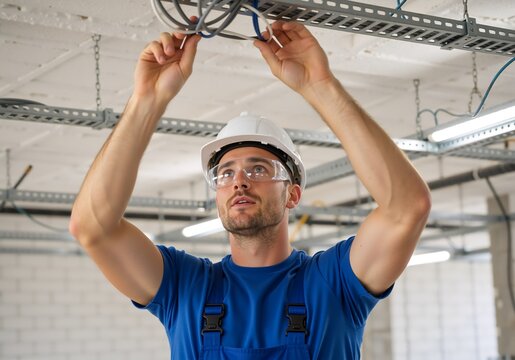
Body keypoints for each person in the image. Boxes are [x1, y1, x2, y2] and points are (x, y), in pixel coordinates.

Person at [69, 20, 431, 359]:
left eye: (259, 169)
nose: (239, 181)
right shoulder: (184, 288)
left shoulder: (334, 284)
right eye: (225, 173)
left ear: (293, 194)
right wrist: (146, 101)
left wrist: (319, 85)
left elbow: (407, 207)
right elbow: (93, 227)